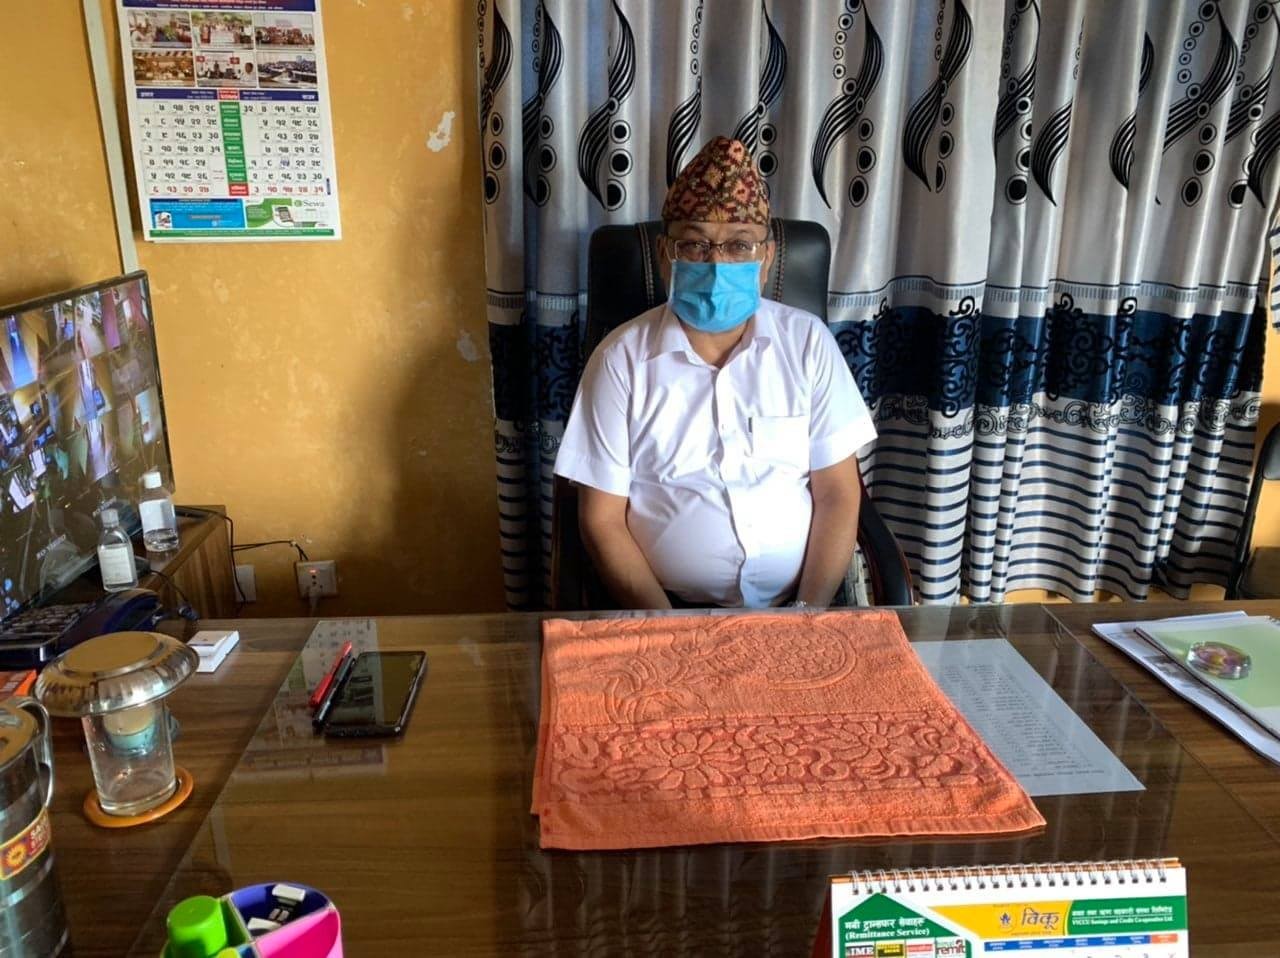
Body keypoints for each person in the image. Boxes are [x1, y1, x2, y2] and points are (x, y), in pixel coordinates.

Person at [555, 136, 876, 610]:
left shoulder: (808, 344)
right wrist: (672, 632)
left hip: (799, 606)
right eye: (694, 244)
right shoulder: (619, 360)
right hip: (667, 610)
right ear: (665, 255)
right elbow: (601, 521)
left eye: (740, 245)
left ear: (766, 259)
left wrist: (808, 618)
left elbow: (837, 494)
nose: (716, 263)